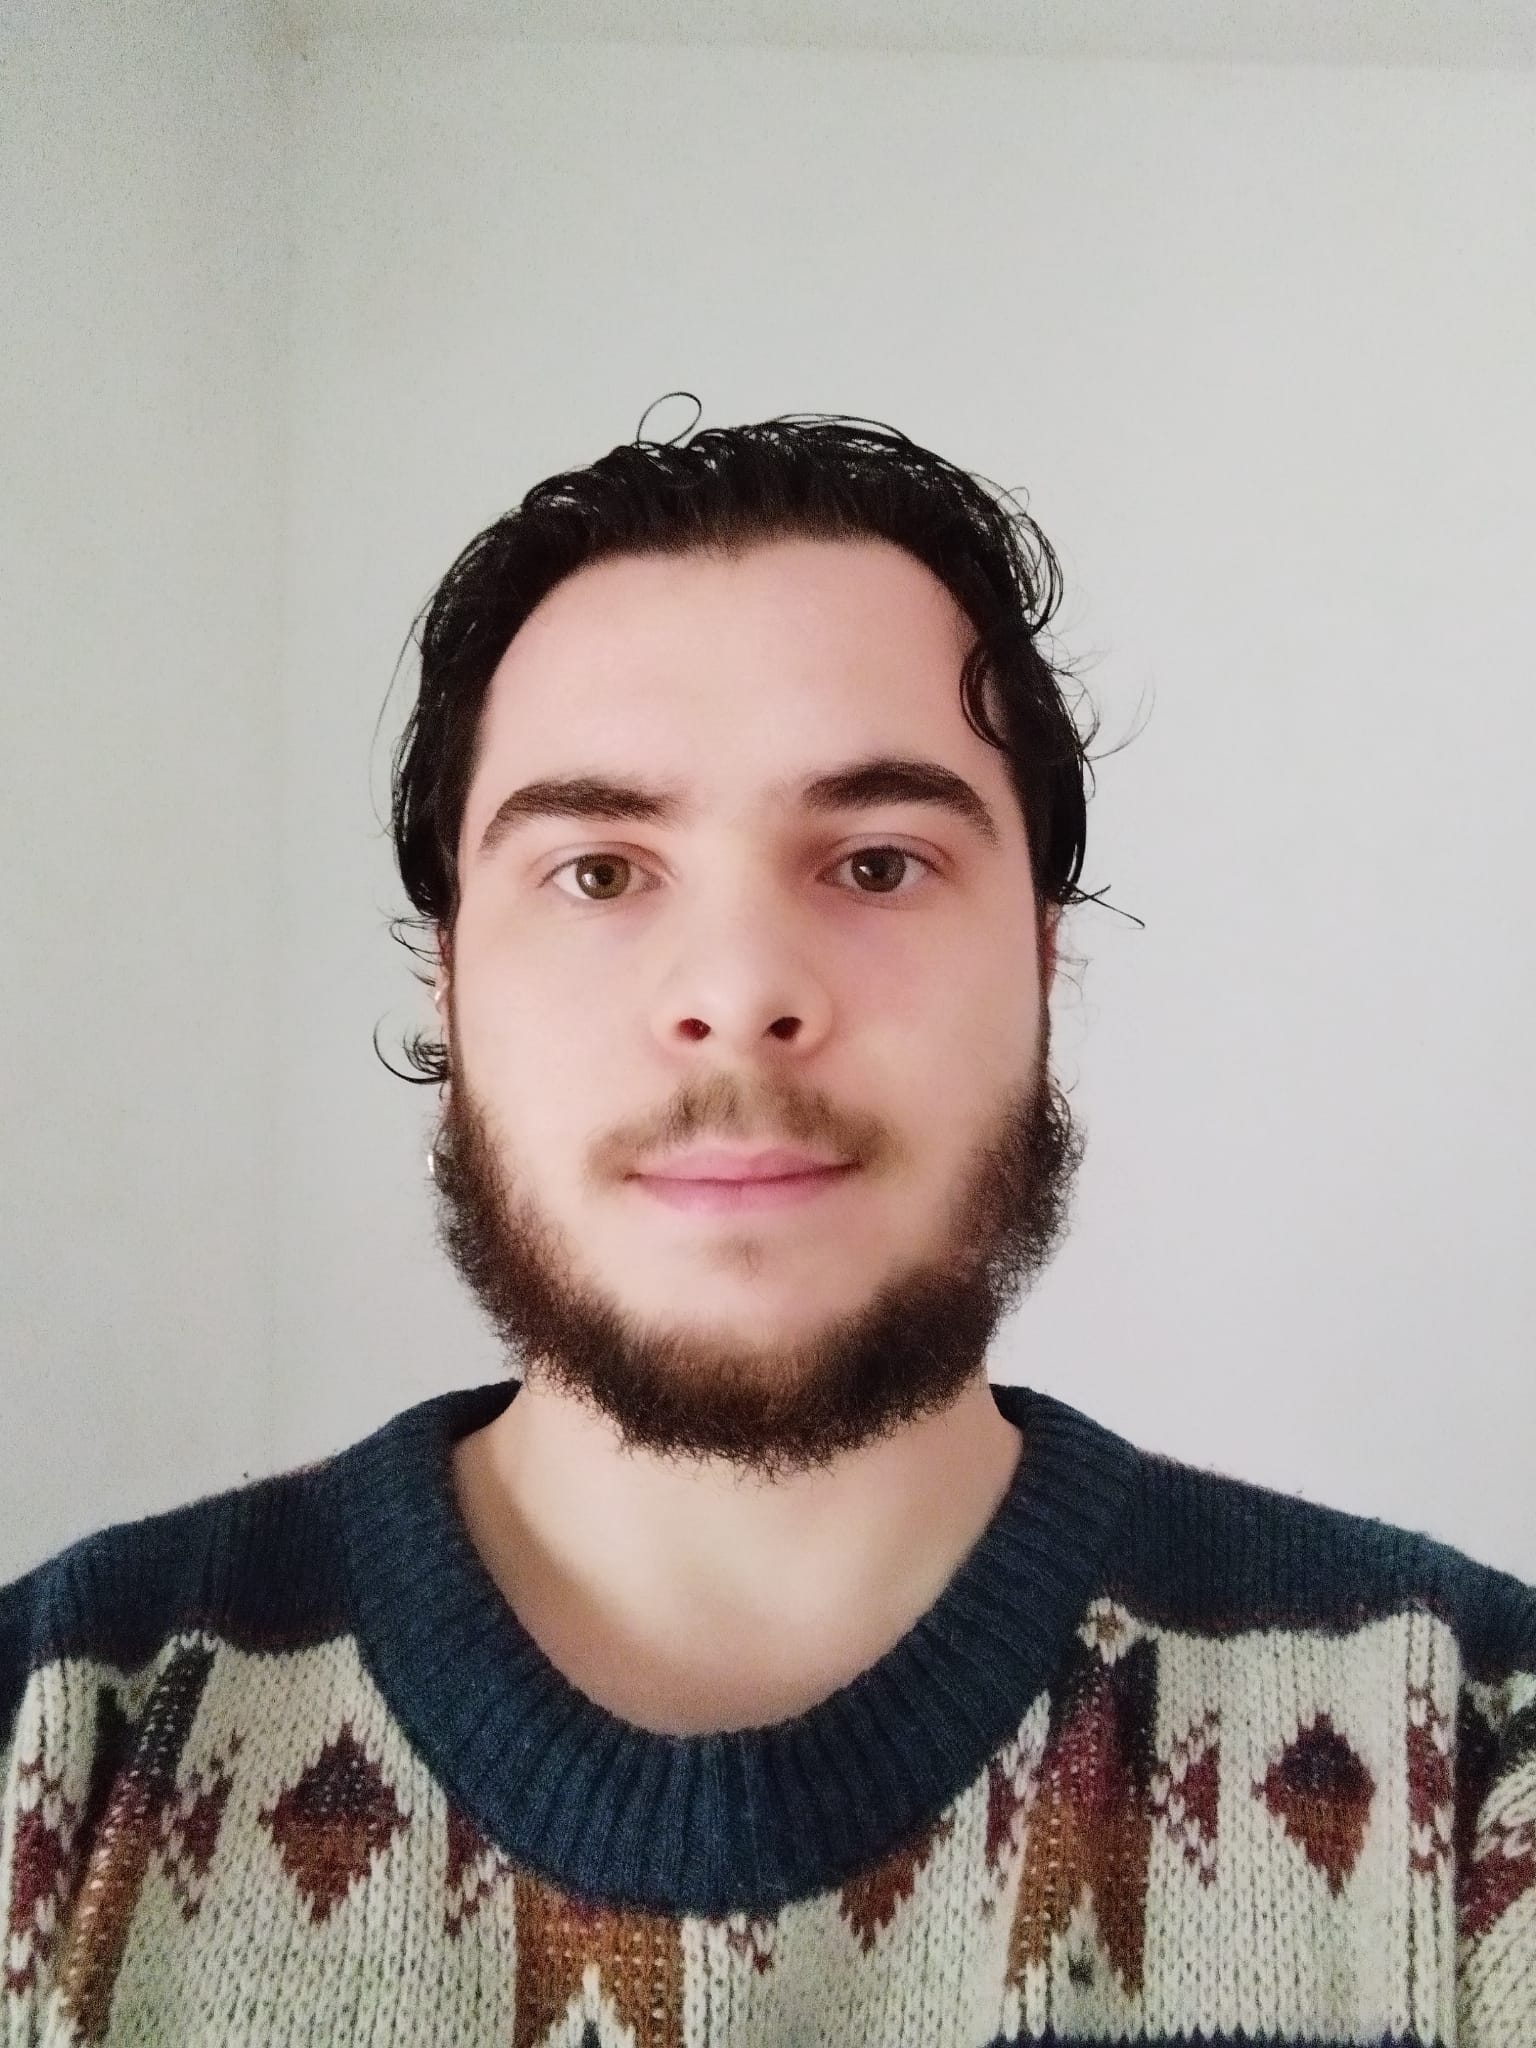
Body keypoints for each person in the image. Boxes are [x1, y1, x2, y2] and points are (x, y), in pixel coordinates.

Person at [2, 411, 1531, 2047]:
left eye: (876, 864)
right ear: (446, 981)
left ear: (1042, 963)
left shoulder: (1469, 1772)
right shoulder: (54, 1750)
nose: (739, 994)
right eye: (600, 872)